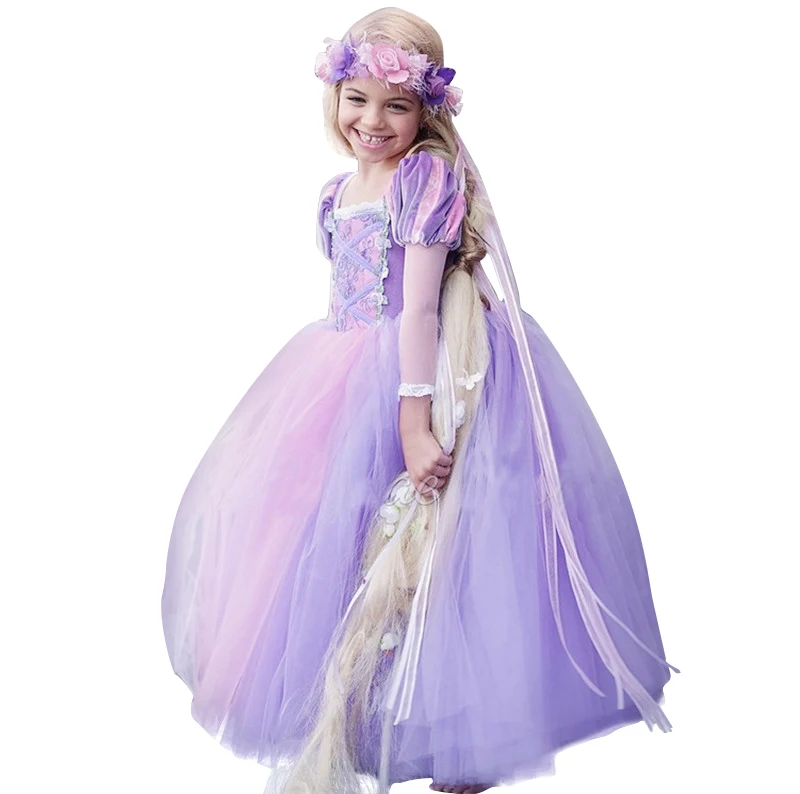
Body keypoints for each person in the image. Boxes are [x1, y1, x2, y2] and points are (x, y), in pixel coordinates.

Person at [161, 8, 680, 794]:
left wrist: (414, 419)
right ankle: (358, 721)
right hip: (340, 375)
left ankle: (464, 739)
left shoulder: (424, 179)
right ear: (334, 96)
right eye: (357, 99)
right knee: (337, 543)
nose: (372, 121)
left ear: (426, 108)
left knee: (447, 547)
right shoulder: (337, 191)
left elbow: (420, 311)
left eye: (395, 105)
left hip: (430, 374)